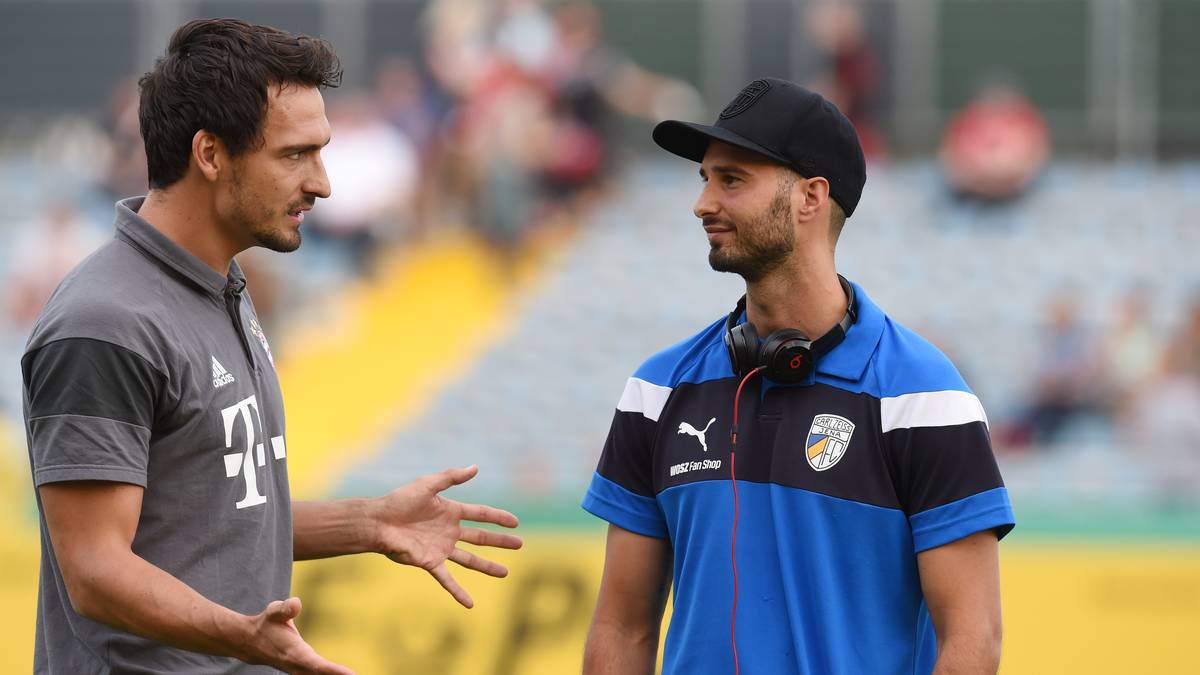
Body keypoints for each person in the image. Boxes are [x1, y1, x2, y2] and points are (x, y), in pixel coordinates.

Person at [22, 19, 521, 675]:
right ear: (209, 154)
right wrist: (239, 634)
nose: (322, 183)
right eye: (295, 155)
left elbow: (219, 519)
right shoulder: (106, 319)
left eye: (321, 152)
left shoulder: (222, 284)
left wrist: (371, 522)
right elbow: (94, 569)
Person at [581, 78, 1015, 674]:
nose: (703, 203)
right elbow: (621, 629)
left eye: (731, 179)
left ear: (810, 197)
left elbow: (972, 641)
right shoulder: (656, 392)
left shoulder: (925, 397)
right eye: (704, 178)